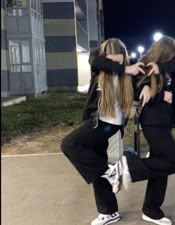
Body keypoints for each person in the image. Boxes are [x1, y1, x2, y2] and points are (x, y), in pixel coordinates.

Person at [104, 36, 175, 225]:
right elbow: (135, 92)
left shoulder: (168, 68)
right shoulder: (142, 67)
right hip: (153, 122)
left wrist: (162, 68)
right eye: (171, 56)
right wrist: (159, 93)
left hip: (165, 121)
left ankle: (151, 209)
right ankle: (125, 168)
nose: (174, 59)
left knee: (162, 165)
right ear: (164, 52)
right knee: (174, 162)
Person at [61, 38, 145, 225]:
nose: (115, 65)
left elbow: (144, 82)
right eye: (111, 61)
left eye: (119, 62)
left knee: (73, 147)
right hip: (98, 122)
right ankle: (108, 212)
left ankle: (110, 176)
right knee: (92, 164)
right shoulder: (99, 68)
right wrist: (123, 68)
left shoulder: (130, 74)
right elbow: (95, 59)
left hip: (112, 128)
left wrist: (144, 86)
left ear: (125, 58)